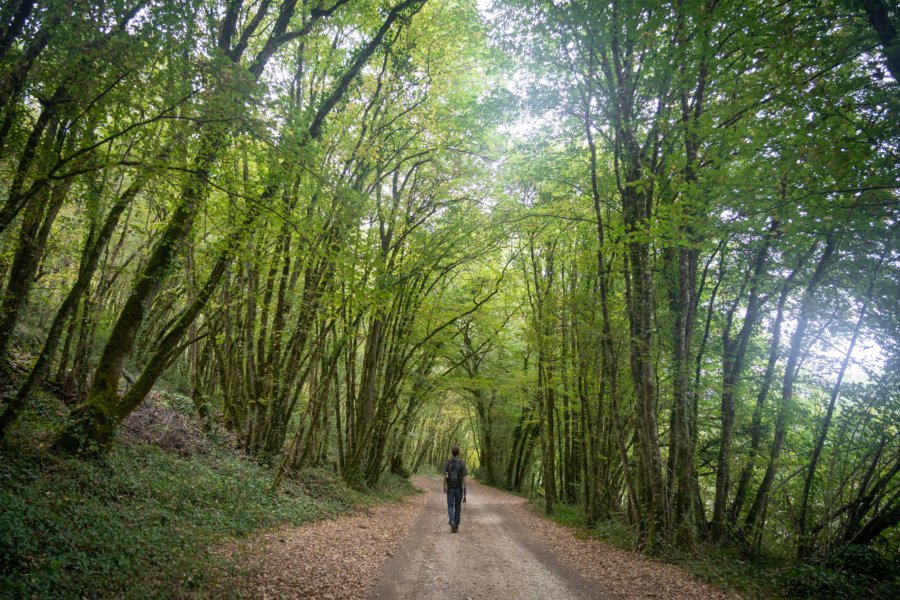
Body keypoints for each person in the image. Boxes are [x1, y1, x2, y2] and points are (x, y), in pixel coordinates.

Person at [443, 444, 467, 533]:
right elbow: (464, 477)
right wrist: (465, 490)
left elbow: (445, 476)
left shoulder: (448, 462)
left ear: (452, 453)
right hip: (459, 489)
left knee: (450, 505)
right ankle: (456, 526)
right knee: (458, 507)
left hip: (450, 488)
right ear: (459, 453)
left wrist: (444, 486)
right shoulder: (462, 463)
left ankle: (452, 520)